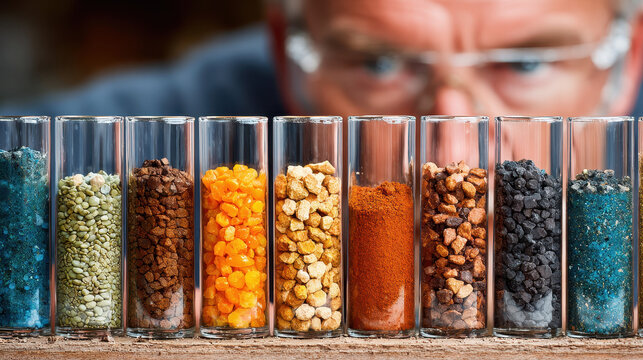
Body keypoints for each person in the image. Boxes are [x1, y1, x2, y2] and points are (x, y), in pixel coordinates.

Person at [0, 0, 642, 120]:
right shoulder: (191, 116)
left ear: (627, 61)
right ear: (287, 55)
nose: (454, 158)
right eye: (381, 66)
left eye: (524, 66)